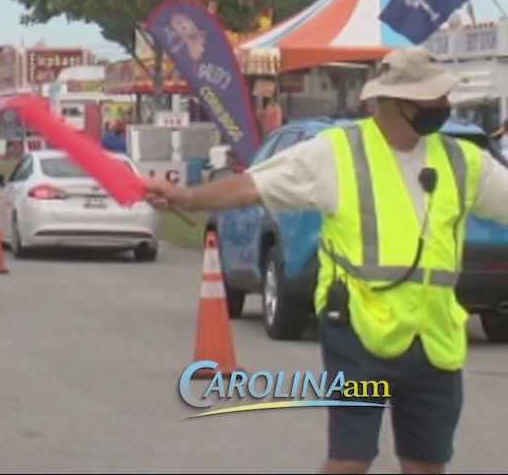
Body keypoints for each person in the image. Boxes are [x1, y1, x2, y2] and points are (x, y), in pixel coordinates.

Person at [142, 47, 508, 475]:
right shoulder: (336, 153)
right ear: (395, 103)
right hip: (359, 330)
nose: (443, 108)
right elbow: (253, 187)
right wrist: (186, 197)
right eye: (433, 100)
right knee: (350, 460)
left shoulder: (463, 160)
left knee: (426, 463)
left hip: (434, 337)